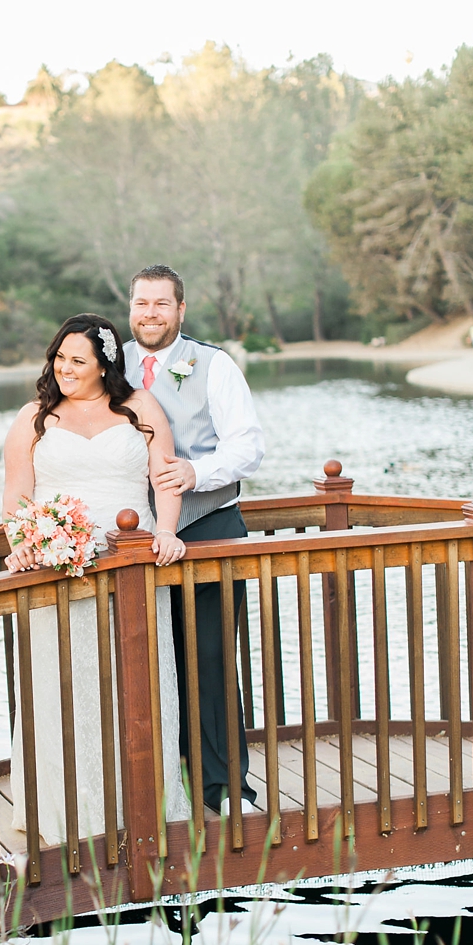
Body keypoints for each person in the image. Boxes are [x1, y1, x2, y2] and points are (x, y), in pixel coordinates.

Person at [2, 312, 191, 846]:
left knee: (137, 676)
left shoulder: (138, 408)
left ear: (104, 365)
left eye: (77, 360)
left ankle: (143, 801)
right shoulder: (33, 417)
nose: (64, 368)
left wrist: (170, 531)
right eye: (59, 358)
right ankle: (66, 810)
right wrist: (23, 546)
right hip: (56, 570)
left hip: (132, 566)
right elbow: (17, 492)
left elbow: (165, 475)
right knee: (64, 685)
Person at [123, 264, 265, 814]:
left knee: (207, 662)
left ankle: (226, 791)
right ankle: (151, 791)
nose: (150, 313)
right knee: (140, 665)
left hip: (209, 529)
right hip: (131, 543)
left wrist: (195, 473)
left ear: (180, 310)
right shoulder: (112, 367)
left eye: (162, 304)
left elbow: (248, 445)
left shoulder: (214, 364)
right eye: (141, 303)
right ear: (130, 307)